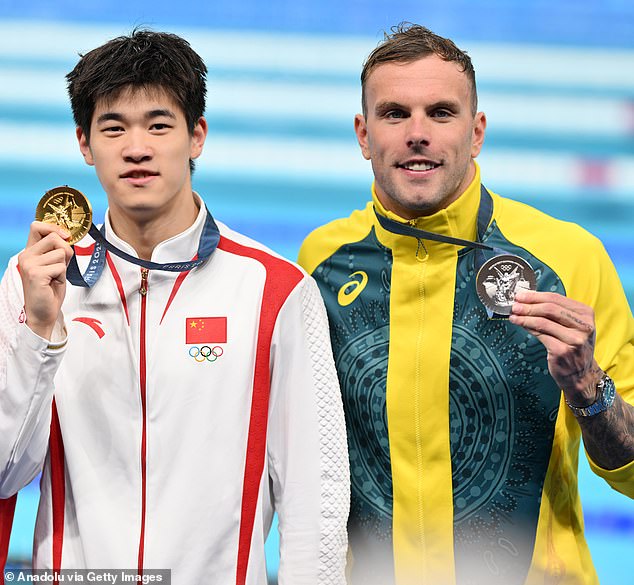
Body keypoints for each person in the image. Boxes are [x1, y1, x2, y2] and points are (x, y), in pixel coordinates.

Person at [0, 30, 349, 585]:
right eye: (113, 127)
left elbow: (316, 497)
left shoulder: (275, 290)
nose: (137, 148)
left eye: (159, 125)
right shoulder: (33, 283)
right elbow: (4, 471)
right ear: (84, 144)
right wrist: (41, 332)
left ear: (197, 136)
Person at [298, 22, 634, 585]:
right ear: (363, 134)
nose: (418, 133)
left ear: (476, 132)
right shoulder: (321, 262)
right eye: (394, 113)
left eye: (442, 112)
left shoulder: (567, 258)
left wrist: (588, 391)